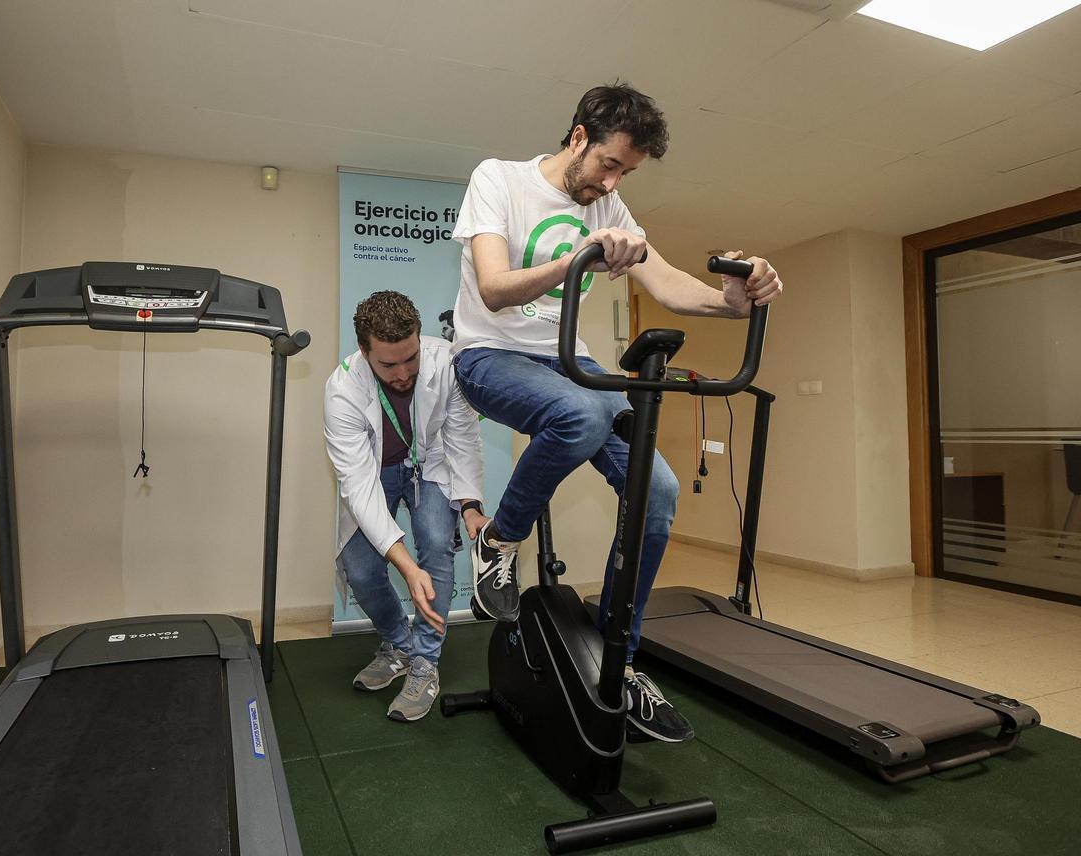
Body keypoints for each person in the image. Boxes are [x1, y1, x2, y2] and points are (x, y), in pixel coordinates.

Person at [449, 82, 783, 742]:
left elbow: (670, 285)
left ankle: (618, 666)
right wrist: (579, 257)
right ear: (578, 137)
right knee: (585, 413)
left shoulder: (610, 203)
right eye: (609, 165)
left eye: (626, 173)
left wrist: (735, 300)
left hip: (569, 366)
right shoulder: (499, 179)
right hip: (489, 357)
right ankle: (498, 540)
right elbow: (491, 289)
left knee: (657, 490)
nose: (613, 181)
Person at [325, 291, 488, 722]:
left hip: (429, 465)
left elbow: (462, 438)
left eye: (410, 358)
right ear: (364, 352)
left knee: (436, 545)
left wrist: (470, 504)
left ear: (419, 337)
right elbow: (358, 486)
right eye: (388, 365)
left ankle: (425, 663)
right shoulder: (342, 390)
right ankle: (398, 643)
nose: (403, 373)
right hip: (375, 473)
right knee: (360, 568)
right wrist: (404, 565)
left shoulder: (446, 362)